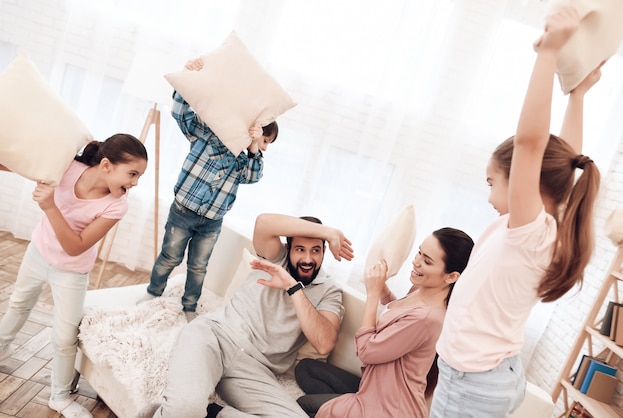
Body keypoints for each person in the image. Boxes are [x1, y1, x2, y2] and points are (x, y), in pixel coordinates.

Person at [430, 7, 602, 417]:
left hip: (473, 384)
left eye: (493, 182)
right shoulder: (547, 225)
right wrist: (577, 95)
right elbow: (565, 155)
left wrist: (548, 52)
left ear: (524, 180)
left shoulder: (532, 232)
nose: (489, 196)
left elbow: (532, 144)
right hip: (489, 375)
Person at [149, 213, 354, 418]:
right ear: (288, 248)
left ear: (324, 251)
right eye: (300, 249)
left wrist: (294, 287)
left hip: (254, 370)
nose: (308, 259)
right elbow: (264, 222)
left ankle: (215, 414)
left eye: (315, 250)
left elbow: (324, 343)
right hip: (215, 336)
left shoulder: (329, 291)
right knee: (185, 410)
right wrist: (329, 232)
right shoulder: (276, 257)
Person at [0, 134, 148, 418]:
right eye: (132, 174)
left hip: (71, 272)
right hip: (37, 252)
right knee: (18, 305)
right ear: (106, 165)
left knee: (65, 337)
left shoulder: (116, 205)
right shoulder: (68, 168)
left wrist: (49, 206)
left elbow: (75, 247)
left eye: (138, 176)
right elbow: (25, 164)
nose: (134, 183)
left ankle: (59, 396)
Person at [138, 58, 280, 322]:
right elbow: (181, 112)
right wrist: (187, 80)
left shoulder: (246, 160)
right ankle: (153, 291)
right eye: (265, 141)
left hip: (212, 220)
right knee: (170, 256)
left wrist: (252, 150)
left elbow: (253, 176)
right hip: (183, 210)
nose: (265, 147)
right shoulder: (208, 135)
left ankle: (189, 306)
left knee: (198, 266)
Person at [294, 228, 475, 417]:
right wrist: (383, 291)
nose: (416, 262)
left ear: (452, 276)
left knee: (303, 405)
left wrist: (372, 295)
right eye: (419, 252)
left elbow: (366, 352)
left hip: (390, 409)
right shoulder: (420, 289)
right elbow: (400, 318)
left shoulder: (427, 319)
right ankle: (351, 402)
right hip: (373, 388)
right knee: (307, 368)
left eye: (427, 261)